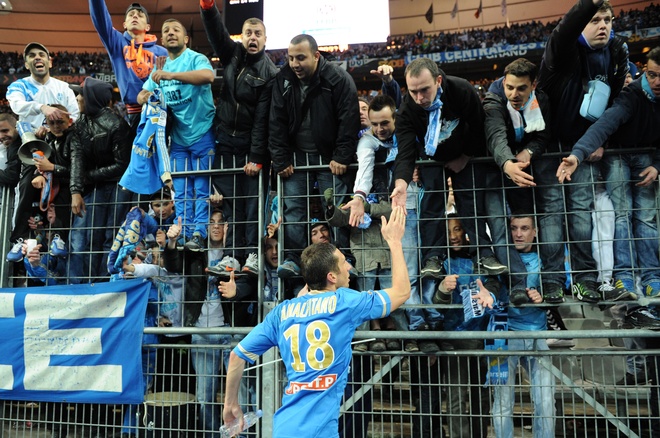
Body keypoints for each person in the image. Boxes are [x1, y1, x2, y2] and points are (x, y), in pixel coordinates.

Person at [222, 207, 411, 436]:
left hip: (284, 429)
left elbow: (236, 356)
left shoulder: (283, 311)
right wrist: (395, 241)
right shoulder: (344, 303)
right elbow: (401, 291)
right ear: (331, 276)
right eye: (343, 263)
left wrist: (230, 403)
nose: (348, 267)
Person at [535, 0, 629, 303]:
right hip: (551, 147)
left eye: (608, 19)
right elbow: (563, 30)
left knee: (580, 215)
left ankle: (584, 279)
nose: (603, 25)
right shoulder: (564, 49)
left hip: (585, 147)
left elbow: (615, 101)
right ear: (581, 25)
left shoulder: (617, 52)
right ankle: (551, 281)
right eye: (594, 20)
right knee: (551, 214)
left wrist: (600, 141)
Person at [390, 57, 507, 280]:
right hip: (431, 156)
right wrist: (401, 184)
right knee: (432, 203)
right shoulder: (407, 109)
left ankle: (482, 253)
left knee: (469, 202)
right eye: (413, 91)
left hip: (465, 151)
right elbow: (405, 152)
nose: (419, 98)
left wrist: (464, 157)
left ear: (438, 81)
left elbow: (478, 128)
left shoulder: (461, 89)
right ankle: (432, 258)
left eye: (424, 90)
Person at [268, 33, 359, 278]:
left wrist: (342, 156)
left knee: (337, 208)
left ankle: (343, 257)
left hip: (330, 159)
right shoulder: (283, 79)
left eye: (301, 58)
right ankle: (293, 258)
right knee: (293, 209)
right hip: (296, 160)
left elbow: (348, 120)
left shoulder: (338, 79)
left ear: (316, 56)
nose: (295, 64)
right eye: (290, 58)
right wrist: (281, 158)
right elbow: (275, 121)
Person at [200, 0, 278, 273]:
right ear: (242, 37)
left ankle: (253, 256)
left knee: (253, 206)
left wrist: (256, 157)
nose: (253, 38)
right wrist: (208, 7)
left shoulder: (271, 73)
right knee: (230, 205)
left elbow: (263, 121)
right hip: (224, 142)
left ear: (266, 39)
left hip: (250, 148)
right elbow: (215, 31)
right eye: (248, 33)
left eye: (258, 34)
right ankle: (232, 256)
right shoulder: (231, 54)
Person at [138, 18, 216, 251]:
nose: (171, 33)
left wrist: (171, 76)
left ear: (186, 38)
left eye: (176, 30)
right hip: (179, 138)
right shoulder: (160, 66)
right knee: (180, 191)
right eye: (166, 31)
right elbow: (142, 94)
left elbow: (208, 76)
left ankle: (200, 234)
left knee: (201, 188)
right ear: (162, 39)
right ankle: (184, 233)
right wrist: (147, 94)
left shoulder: (195, 58)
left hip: (202, 132)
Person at [482, 58, 551, 305]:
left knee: (523, 226)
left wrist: (530, 151)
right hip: (496, 170)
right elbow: (496, 135)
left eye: (521, 88)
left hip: (522, 171)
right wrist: (507, 162)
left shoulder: (541, 99)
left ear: (533, 85)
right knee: (501, 230)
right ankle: (516, 284)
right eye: (509, 87)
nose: (514, 93)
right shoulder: (494, 99)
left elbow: (544, 137)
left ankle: (541, 284)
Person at [163, 210, 231, 438]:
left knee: (244, 392)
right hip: (201, 330)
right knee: (204, 397)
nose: (216, 227)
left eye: (221, 223)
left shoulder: (235, 250)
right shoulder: (196, 251)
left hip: (232, 331)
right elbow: (173, 265)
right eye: (211, 222)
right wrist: (172, 241)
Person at [431, 214, 499, 438]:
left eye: (458, 229)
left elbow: (495, 286)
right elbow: (434, 306)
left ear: (466, 231)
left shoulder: (482, 257)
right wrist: (442, 288)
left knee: (482, 397)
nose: (453, 236)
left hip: (480, 339)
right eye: (449, 231)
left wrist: (489, 290)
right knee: (456, 398)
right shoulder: (438, 262)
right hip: (451, 340)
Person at [491, 215, 556, 438]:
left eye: (525, 228)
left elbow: (560, 291)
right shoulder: (498, 258)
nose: (518, 233)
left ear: (535, 232)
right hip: (503, 335)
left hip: (536, 334)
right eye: (514, 228)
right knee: (502, 402)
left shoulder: (545, 259)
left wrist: (544, 296)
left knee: (546, 401)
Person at [68, 77, 132, 283]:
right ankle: (87, 283)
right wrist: (76, 191)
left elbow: (122, 165)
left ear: (92, 98)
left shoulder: (117, 125)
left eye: (81, 94)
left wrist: (88, 177)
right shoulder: (80, 124)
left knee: (110, 237)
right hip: (95, 186)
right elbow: (76, 158)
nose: (78, 98)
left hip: (118, 186)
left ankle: (105, 282)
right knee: (89, 237)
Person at [89, 1, 168, 133]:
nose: (135, 16)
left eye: (140, 15)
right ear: (124, 25)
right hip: (133, 112)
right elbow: (101, 18)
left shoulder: (163, 52)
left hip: (161, 111)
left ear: (147, 27)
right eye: (131, 15)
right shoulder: (117, 43)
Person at [9, 104, 74, 255]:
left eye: (60, 122)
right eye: (52, 123)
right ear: (45, 123)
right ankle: (19, 239)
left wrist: (51, 169)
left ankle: (59, 238)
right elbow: (36, 162)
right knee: (25, 185)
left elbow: (77, 170)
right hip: (47, 183)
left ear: (69, 121)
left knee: (64, 191)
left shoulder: (75, 137)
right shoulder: (44, 136)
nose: (56, 126)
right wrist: (39, 174)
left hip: (65, 183)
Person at [6, 42, 79, 131]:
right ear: (27, 65)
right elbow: (16, 105)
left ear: (50, 62)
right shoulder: (19, 86)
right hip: (31, 140)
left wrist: (54, 130)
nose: (37, 57)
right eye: (32, 56)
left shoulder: (64, 87)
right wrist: (42, 108)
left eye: (42, 55)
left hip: (60, 139)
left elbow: (74, 115)